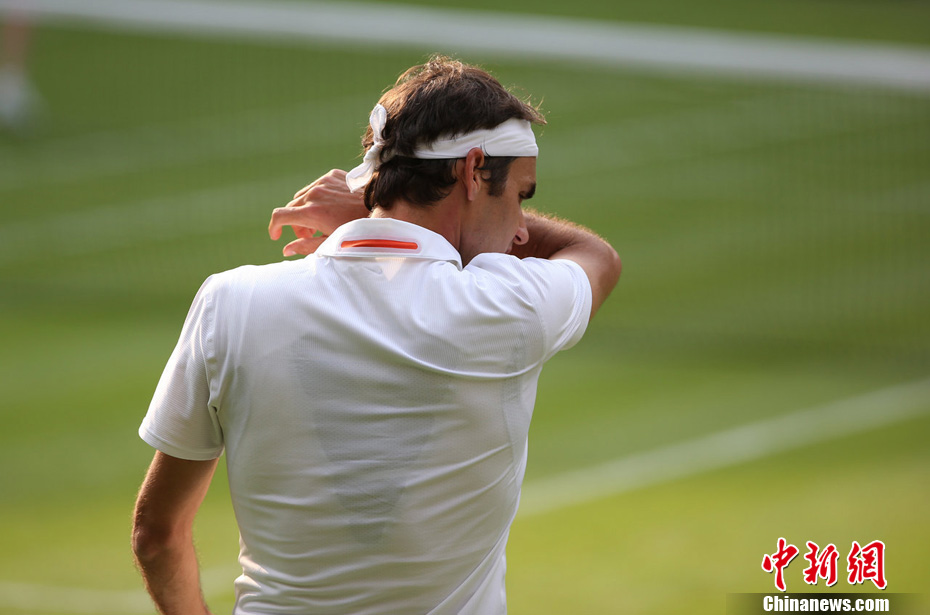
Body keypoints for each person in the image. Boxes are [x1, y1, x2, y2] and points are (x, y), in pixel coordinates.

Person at [132, 56, 621, 614]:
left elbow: (156, 536)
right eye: (520, 196)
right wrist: (368, 209)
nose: (521, 231)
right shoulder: (508, 306)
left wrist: (378, 208)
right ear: (473, 169)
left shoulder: (230, 301)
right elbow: (594, 256)